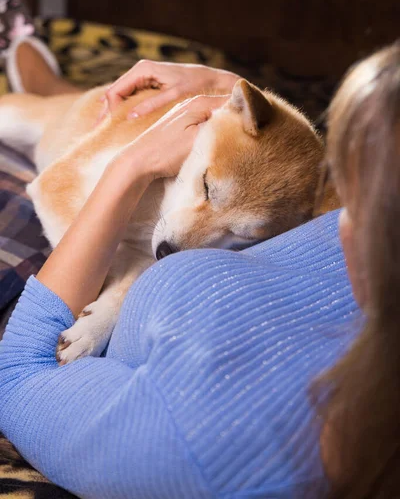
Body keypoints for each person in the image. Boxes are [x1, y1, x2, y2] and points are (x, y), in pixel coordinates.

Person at [0, 38, 399, 499]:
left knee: (58, 121)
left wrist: (131, 167)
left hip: (58, 292)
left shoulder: (197, 449)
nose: (182, 241)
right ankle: (51, 83)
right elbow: (293, 167)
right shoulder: (342, 220)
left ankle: (49, 84)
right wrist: (229, 91)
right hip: (161, 135)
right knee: (76, 107)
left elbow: (19, 372)